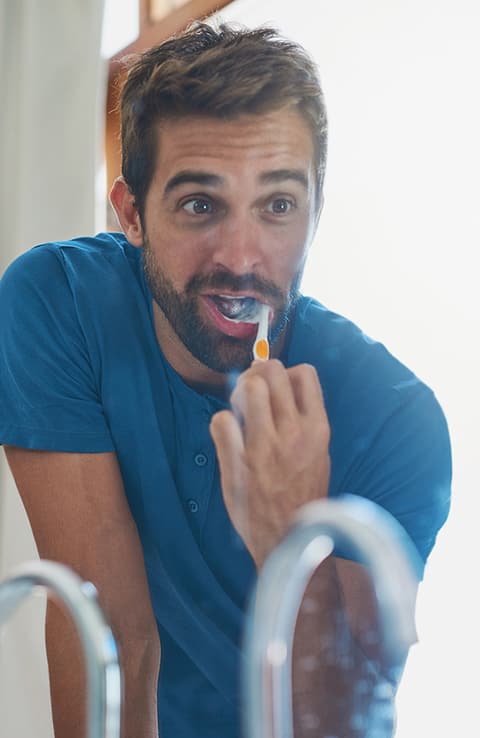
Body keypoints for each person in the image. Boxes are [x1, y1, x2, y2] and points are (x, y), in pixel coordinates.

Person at [0, 21, 451, 738]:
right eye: (200, 205)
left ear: (315, 213)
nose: (242, 258)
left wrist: (290, 537)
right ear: (131, 215)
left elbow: (346, 722)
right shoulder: (58, 304)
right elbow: (113, 637)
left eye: (277, 205)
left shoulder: (398, 422)